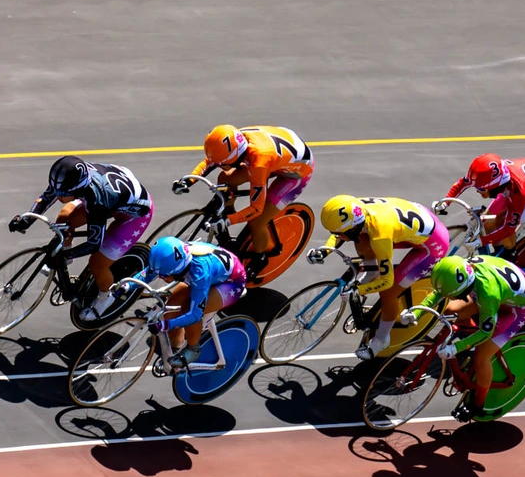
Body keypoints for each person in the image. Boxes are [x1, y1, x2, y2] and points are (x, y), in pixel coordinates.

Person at [9, 155, 153, 322]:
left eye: (63, 193)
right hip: (114, 194)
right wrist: (26, 220)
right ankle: (65, 260)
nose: (58, 196)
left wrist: (63, 256)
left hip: (134, 215)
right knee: (64, 217)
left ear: (78, 189)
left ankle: (106, 297)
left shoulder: (97, 201)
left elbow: (93, 244)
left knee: (97, 263)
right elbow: (47, 196)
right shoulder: (69, 177)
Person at [309, 195, 450, 360]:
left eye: (339, 234)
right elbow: (340, 231)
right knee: (362, 237)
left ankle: (382, 340)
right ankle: (372, 272)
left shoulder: (380, 236)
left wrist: (359, 289)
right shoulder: (354, 209)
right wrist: (325, 250)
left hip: (432, 246)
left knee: (389, 292)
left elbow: (387, 281)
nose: (336, 236)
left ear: (352, 227)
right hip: (412, 219)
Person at [172, 124, 314, 283]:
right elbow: (210, 161)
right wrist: (189, 180)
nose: (220, 165)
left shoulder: (258, 164)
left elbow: (256, 209)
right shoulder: (236, 140)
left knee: (257, 221)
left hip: (297, 173)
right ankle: (227, 217)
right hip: (276, 154)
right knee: (225, 178)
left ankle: (260, 259)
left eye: (223, 163)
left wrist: (228, 221)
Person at [405, 254, 525, 422]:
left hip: (517, 309)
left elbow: (485, 333)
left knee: (482, 356)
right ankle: (468, 329)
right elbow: (440, 292)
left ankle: (478, 404)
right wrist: (416, 312)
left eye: (456, 294)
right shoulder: (459, 268)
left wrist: (456, 348)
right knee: (451, 310)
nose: (453, 297)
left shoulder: (488, 294)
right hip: (498, 287)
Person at [123, 235, 246, 367]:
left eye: (164, 275)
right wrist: (126, 285)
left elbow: (195, 314)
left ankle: (193, 349)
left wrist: (165, 325)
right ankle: (175, 348)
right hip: (212, 272)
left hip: (232, 283)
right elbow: (149, 272)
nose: (161, 277)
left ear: (178, 270)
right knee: (169, 310)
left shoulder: (199, 274)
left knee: (189, 310)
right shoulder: (176, 260)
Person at [441, 154, 525, 250]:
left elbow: (507, 229)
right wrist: (445, 203)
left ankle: (509, 255)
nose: (477, 190)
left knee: (501, 221)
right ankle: (499, 251)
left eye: (481, 188)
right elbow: (463, 183)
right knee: (487, 221)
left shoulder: (518, 192)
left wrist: (481, 242)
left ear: (495, 186)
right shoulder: (495, 176)